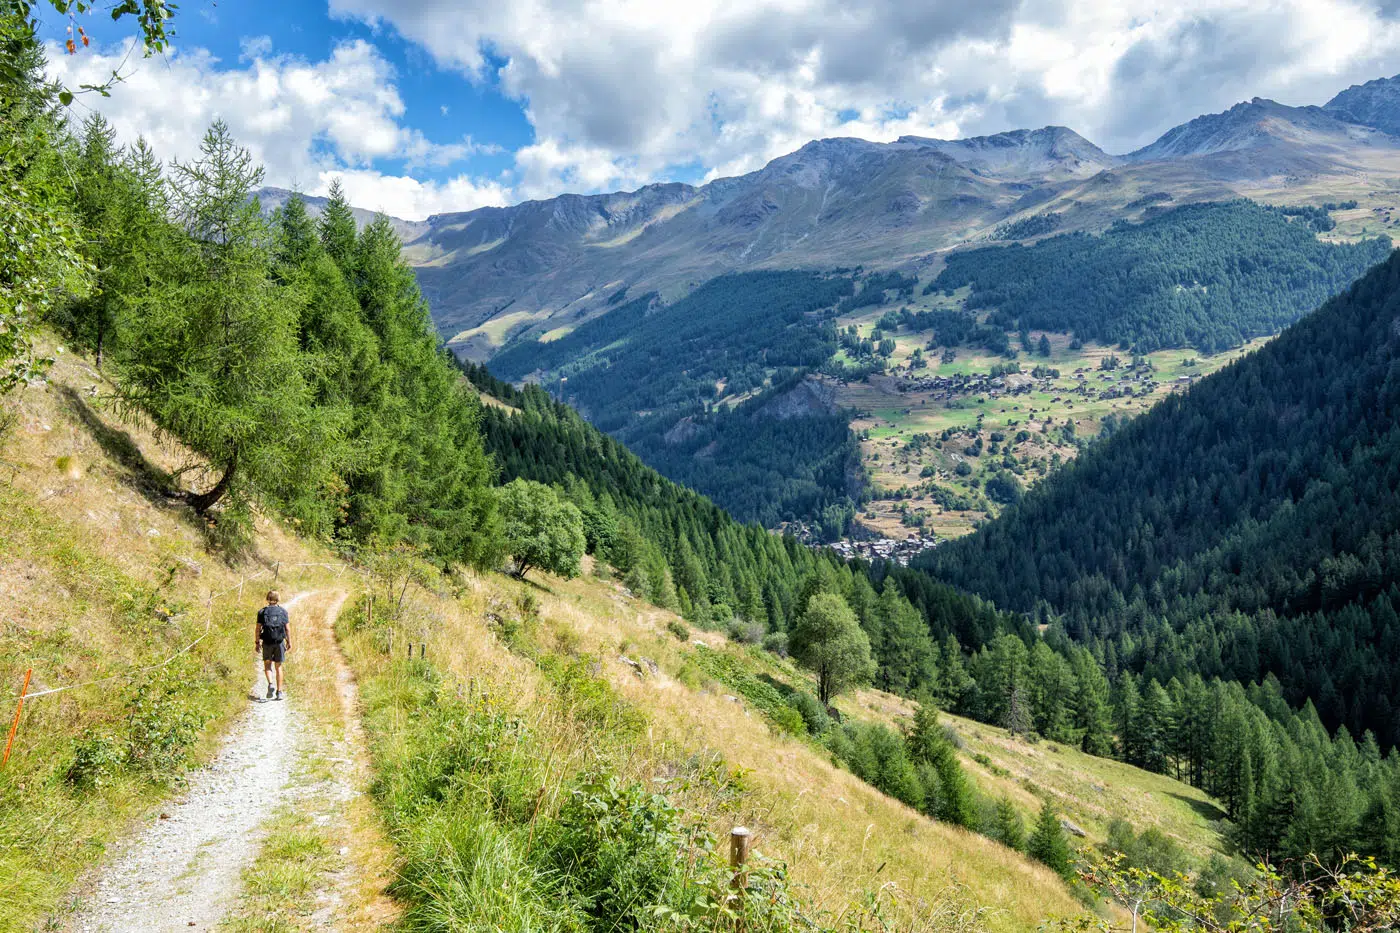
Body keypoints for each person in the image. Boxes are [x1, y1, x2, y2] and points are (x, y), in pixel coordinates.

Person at [255, 590, 291, 701]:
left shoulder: (262, 612)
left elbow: (257, 629)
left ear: (268, 599)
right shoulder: (283, 611)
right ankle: (279, 692)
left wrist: (257, 642)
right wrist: (289, 642)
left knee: (267, 665)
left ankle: (270, 684)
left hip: (267, 642)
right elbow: (287, 629)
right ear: (278, 599)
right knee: (278, 666)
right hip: (279, 642)